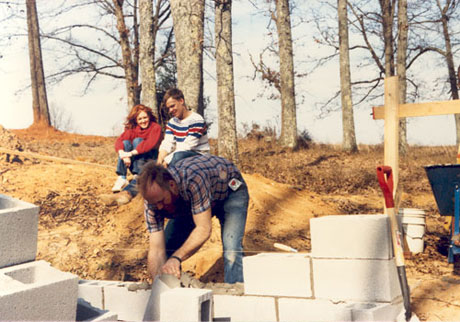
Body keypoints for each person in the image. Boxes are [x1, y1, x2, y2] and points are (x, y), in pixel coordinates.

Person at [137, 154, 249, 284]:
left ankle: (235, 293)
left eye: (161, 200)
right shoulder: (152, 202)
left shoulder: (193, 179)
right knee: (167, 249)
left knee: (231, 249)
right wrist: (157, 286)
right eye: (154, 203)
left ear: (172, 185)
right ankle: (172, 290)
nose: (159, 207)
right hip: (194, 201)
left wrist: (177, 258)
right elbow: (156, 250)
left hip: (230, 189)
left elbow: (204, 229)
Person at [100, 104, 162, 206]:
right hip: (137, 163)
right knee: (125, 143)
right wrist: (123, 154)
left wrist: (130, 153)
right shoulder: (134, 130)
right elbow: (119, 141)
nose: (143, 121)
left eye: (145, 117)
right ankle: (122, 177)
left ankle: (126, 193)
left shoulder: (155, 128)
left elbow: (148, 144)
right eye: (140, 119)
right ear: (136, 120)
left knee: (138, 141)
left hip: (152, 161)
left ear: (149, 117)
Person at [157, 88, 210, 167]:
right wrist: (160, 159)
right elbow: (167, 143)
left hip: (198, 155)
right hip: (179, 153)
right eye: (168, 108)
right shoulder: (172, 122)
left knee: (177, 157)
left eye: (172, 106)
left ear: (181, 101)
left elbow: (187, 146)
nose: (170, 110)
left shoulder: (196, 120)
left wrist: (167, 161)